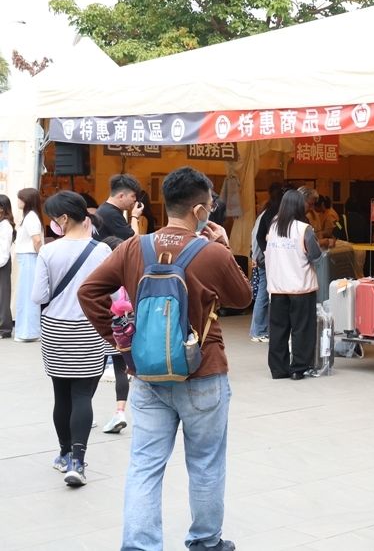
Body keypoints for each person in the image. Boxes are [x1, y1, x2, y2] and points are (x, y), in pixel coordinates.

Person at [78, 166, 252, 551]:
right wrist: (223, 246)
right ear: (199, 210)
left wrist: (124, 344)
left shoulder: (132, 247)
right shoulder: (211, 252)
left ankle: (140, 546)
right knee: (206, 464)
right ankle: (206, 542)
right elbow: (243, 298)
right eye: (209, 206)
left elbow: (89, 292)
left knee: (145, 465)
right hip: (203, 372)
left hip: (147, 377)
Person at [32, 191, 113, 486]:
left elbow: (38, 296)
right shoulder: (102, 251)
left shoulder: (49, 252)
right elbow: (116, 295)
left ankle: (64, 454)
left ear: (64, 219)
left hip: (55, 330)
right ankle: (78, 462)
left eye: (54, 218)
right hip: (91, 329)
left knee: (61, 395)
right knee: (82, 396)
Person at [266, 190, 323, 380]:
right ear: (300, 206)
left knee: (278, 329)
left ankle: (278, 369)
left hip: (277, 287)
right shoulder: (303, 229)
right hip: (301, 286)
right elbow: (315, 255)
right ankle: (298, 368)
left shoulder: (273, 228)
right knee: (301, 329)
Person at [98, 235, 131, 434]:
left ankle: (86, 411)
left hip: (104, 328)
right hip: (123, 328)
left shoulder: (102, 276)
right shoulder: (127, 273)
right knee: (121, 370)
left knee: (94, 372)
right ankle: (120, 412)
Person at [251, 182, 286, 343]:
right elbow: (259, 236)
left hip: (265, 258)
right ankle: (258, 330)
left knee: (264, 295)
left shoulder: (267, 212)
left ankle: (259, 329)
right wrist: (267, 252)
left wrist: (264, 251)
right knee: (265, 295)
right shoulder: (278, 215)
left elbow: (257, 236)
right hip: (271, 261)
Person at [14, 187, 44, 341]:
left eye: (20, 198)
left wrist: (42, 257)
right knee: (25, 295)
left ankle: (28, 333)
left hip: (30, 258)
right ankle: (26, 331)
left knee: (27, 296)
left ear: (26, 201)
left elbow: (37, 240)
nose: (18, 201)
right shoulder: (30, 216)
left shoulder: (31, 217)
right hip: (27, 258)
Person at [96, 173, 145, 241]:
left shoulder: (106, 209)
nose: (135, 199)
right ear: (121, 196)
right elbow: (133, 240)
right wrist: (135, 216)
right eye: (133, 196)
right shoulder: (111, 214)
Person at [0, 195, 13, 338]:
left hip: (2, 262)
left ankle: (4, 329)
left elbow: (4, 249)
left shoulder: (6, 225)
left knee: (2, 296)